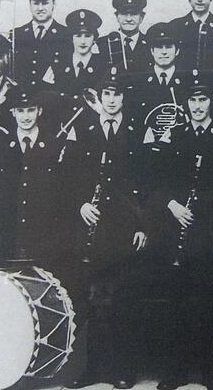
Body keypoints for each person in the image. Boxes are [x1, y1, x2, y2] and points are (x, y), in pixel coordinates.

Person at [151, 78, 213, 390]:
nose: (198, 106)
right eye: (193, 101)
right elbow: (157, 180)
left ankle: (210, 373)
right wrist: (173, 205)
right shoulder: (173, 134)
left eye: (203, 100)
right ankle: (175, 371)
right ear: (186, 104)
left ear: (210, 103)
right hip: (178, 223)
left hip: (210, 227)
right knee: (176, 303)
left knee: (209, 304)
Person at [63, 67, 149, 389]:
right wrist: (80, 204)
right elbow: (68, 179)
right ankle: (90, 370)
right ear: (99, 97)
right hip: (91, 226)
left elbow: (145, 184)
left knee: (122, 300)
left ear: (125, 97)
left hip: (123, 227)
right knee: (90, 301)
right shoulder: (83, 131)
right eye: (107, 94)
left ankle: (121, 371)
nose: (112, 100)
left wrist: (142, 225)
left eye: (118, 94)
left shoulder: (136, 132)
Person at [0, 91, 66, 269]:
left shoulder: (54, 145)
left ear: (39, 111)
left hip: (43, 236)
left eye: (30, 110)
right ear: (13, 112)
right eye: (21, 111)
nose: (26, 117)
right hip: (4, 236)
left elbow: (62, 193)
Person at [52, 8, 108, 134]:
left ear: (94, 39)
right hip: (61, 129)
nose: (82, 41)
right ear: (71, 38)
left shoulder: (103, 66)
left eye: (88, 36)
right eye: (78, 35)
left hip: (92, 131)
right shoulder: (58, 65)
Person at [12, 0, 71, 91]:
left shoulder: (67, 35)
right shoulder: (17, 34)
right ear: (29, 4)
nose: (40, 8)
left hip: (52, 100)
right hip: (23, 104)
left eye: (45, 3)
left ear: (54, 4)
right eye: (36, 3)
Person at [97, 0, 151, 71]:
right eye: (124, 14)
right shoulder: (103, 43)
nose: (128, 19)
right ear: (117, 17)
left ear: (142, 17)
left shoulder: (150, 43)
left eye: (133, 14)